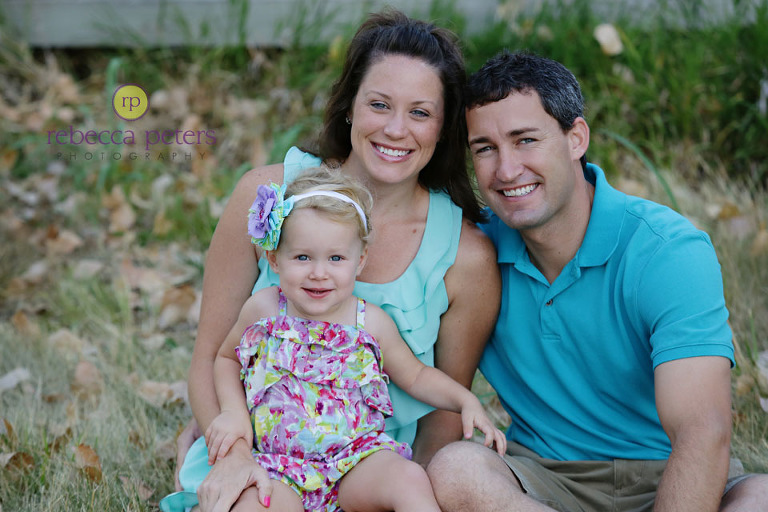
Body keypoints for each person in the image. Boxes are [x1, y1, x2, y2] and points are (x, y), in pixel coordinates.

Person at [171, 8, 501, 512]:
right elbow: (211, 358)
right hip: (262, 460)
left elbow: (441, 417)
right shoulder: (268, 196)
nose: (396, 129)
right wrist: (233, 455)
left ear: (442, 128)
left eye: (420, 113)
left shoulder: (465, 255)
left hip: (366, 468)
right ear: (349, 106)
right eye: (379, 104)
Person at [427, 51, 768, 512]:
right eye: (485, 148)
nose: (506, 170)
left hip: (668, 473)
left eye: (526, 140)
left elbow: (702, 432)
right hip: (543, 478)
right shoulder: (472, 252)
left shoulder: (665, 251)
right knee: (456, 470)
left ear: (576, 138)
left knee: (760, 497)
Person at [203, 168, 506, 511]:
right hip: (277, 467)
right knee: (253, 505)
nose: (319, 273)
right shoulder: (264, 310)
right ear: (274, 259)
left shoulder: (369, 322)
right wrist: (233, 413)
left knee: (408, 479)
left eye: (336, 258)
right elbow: (227, 359)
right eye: (302, 257)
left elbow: (417, 376)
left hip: (356, 462)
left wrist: (465, 401)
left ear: (359, 261)